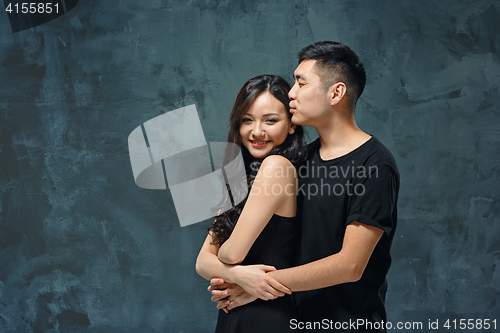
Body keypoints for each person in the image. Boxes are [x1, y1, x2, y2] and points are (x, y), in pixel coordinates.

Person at [209, 41, 400, 332]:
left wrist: (258, 285)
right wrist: (238, 279)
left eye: (301, 82)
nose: (291, 93)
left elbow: (350, 265)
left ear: (336, 92)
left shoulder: (374, 164)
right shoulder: (297, 162)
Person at [195, 74, 307, 332]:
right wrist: (239, 275)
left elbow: (230, 253)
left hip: (268, 315)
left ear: (291, 125)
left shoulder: (277, 167)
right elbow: (202, 262)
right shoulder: (240, 178)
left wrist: (226, 264)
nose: (256, 131)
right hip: (237, 309)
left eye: (271, 120)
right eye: (247, 120)